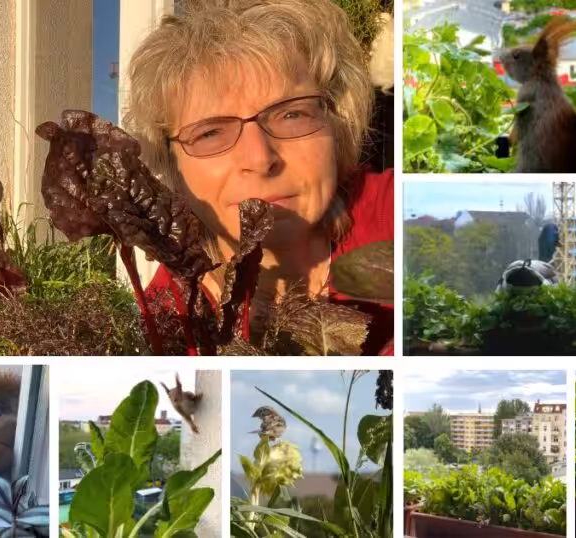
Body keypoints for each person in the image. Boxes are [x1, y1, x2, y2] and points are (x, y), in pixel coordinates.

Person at [125, 0, 394, 355]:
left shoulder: (398, 213)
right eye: (210, 132)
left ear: (337, 124)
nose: (260, 158)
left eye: (292, 114)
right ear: (172, 165)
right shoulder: (170, 325)